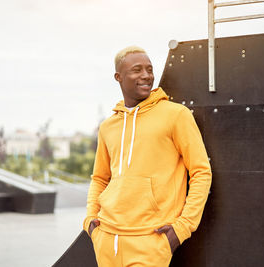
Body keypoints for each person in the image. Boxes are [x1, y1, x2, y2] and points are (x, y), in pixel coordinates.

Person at [83, 46, 212, 266]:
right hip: (106, 238)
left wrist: (182, 228)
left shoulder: (176, 115)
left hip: (151, 241)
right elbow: (100, 178)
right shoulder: (108, 127)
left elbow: (201, 172)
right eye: (137, 70)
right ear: (119, 77)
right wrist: (90, 221)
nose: (146, 76)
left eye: (149, 69)